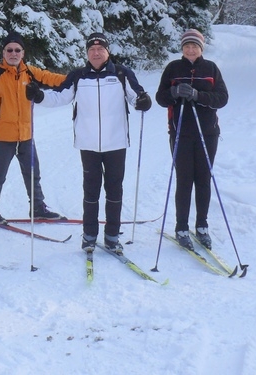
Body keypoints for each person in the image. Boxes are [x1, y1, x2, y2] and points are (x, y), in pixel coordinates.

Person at [28, 32, 152, 254]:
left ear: (107, 52)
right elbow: (59, 97)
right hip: (88, 144)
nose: (96, 53)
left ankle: (113, 236)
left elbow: (137, 97)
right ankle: (89, 235)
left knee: (114, 191)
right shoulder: (78, 76)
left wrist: (143, 101)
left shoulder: (122, 73)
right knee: (91, 191)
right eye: (92, 50)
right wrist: (38, 96)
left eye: (100, 49)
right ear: (87, 53)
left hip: (116, 143)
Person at [0, 32, 66, 223]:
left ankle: (38, 208)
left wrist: (77, 77)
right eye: (9, 50)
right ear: (4, 52)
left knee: (33, 173)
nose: (13, 53)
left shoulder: (30, 72)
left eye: (17, 50)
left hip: (25, 135)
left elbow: (53, 79)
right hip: (2, 137)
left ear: (23, 53)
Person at [155, 29, 228, 251]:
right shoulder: (173, 68)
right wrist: (175, 91)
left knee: (203, 179)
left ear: (201, 48)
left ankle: (202, 225)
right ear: (182, 48)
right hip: (180, 134)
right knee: (184, 180)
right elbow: (160, 97)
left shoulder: (211, 68)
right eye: (187, 46)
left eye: (194, 46)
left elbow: (222, 98)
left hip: (207, 133)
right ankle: (181, 227)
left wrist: (198, 96)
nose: (190, 49)